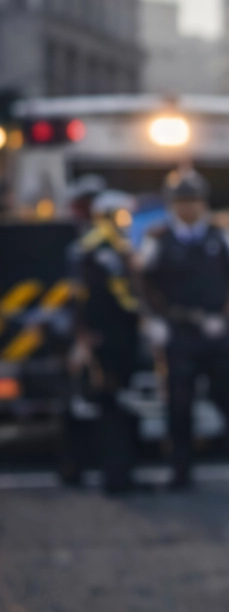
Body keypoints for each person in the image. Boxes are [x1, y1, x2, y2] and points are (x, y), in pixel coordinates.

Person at [139, 168, 229, 489]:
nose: (189, 208)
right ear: (172, 205)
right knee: (179, 405)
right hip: (181, 330)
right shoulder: (159, 239)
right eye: (183, 201)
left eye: (195, 200)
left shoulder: (221, 235)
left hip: (219, 330)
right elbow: (142, 281)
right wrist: (155, 320)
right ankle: (180, 471)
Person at [69, 190, 142, 494]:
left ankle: (110, 472)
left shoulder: (109, 246)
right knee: (109, 406)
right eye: (121, 215)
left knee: (112, 405)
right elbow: (109, 297)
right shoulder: (100, 249)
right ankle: (114, 477)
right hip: (107, 339)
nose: (126, 222)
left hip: (112, 336)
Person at [59, 173, 109, 485]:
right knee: (76, 404)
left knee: (96, 403)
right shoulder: (77, 245)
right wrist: (79, 337)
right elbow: (73, 293)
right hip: (78, 332)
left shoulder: (101, 240)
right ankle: (73, 467)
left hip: (96, 331)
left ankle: (92, 464)